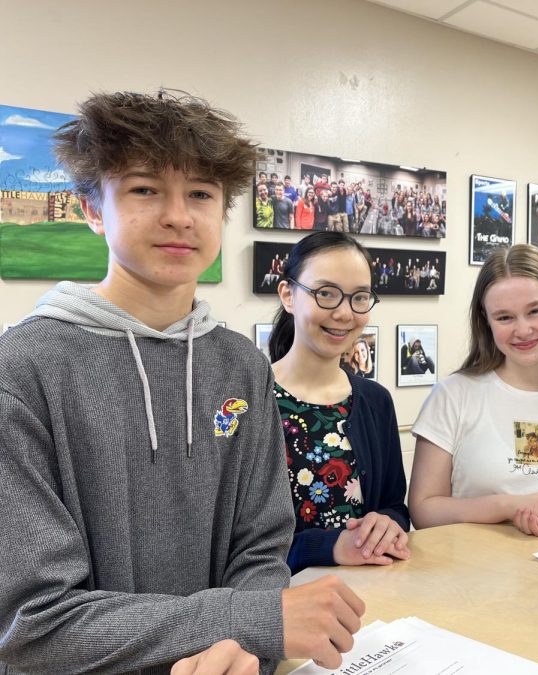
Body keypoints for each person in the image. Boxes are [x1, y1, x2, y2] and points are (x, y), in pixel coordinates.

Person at [0, 91, 365, 674]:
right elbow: (30, 625)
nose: (179, 215)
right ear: (93, 209)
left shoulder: (241, 365)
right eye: (145, 189)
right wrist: (250, 623)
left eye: (200, 193)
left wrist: (242, 649)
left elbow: (261, 547)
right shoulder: (22, 370)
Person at [409, 244, 538, 536]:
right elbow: (423, 510)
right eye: (505, 317)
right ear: (486, 319)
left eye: (535, 311)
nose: (523, 330)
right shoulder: (452, 396)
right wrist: (512, 507)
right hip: (469, 575)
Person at [268, 231, 410, 572]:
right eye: (326, 294)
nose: (345, 313)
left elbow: (394, 507)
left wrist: (388, 524)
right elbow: (232, 543)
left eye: (359, 297)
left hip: (369, 599)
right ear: (288, 295)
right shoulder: (250, 400)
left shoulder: (375, 401)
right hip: (277, 605)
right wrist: (331, 547)